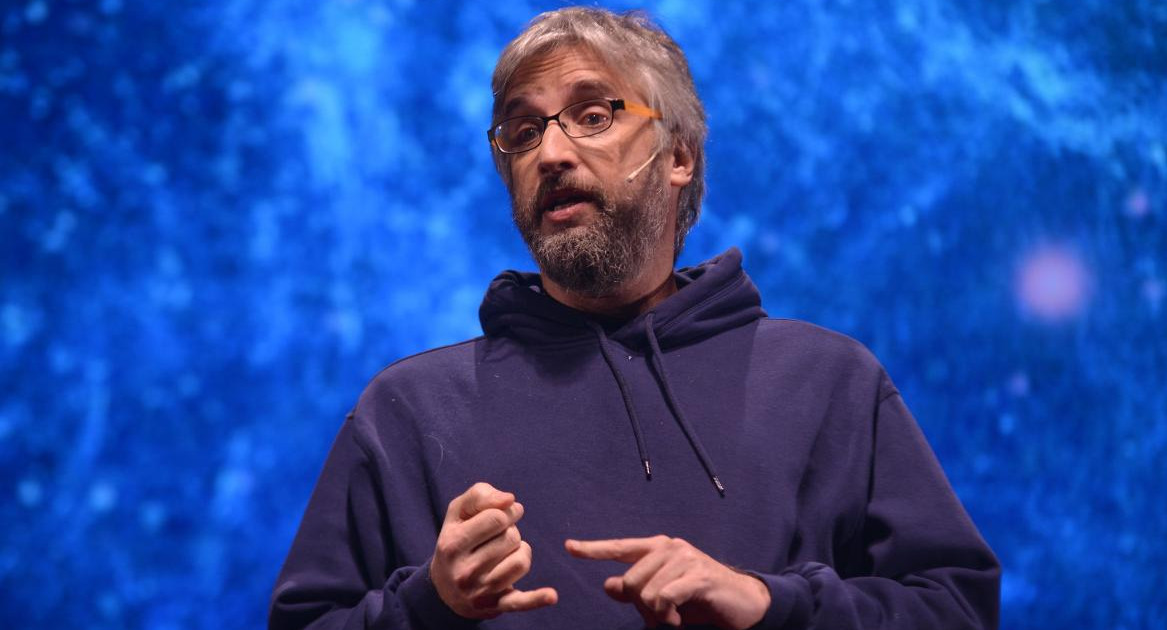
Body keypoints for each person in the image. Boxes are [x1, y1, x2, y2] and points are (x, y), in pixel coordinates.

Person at [269, 7, 1000, 630]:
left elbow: (956, 608)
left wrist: (767, 605)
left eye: (593, 115)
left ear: (676, 156)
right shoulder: (407, 408)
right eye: (522, 133)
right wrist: (430, 603)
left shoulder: (826, 382)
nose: (551, 152)